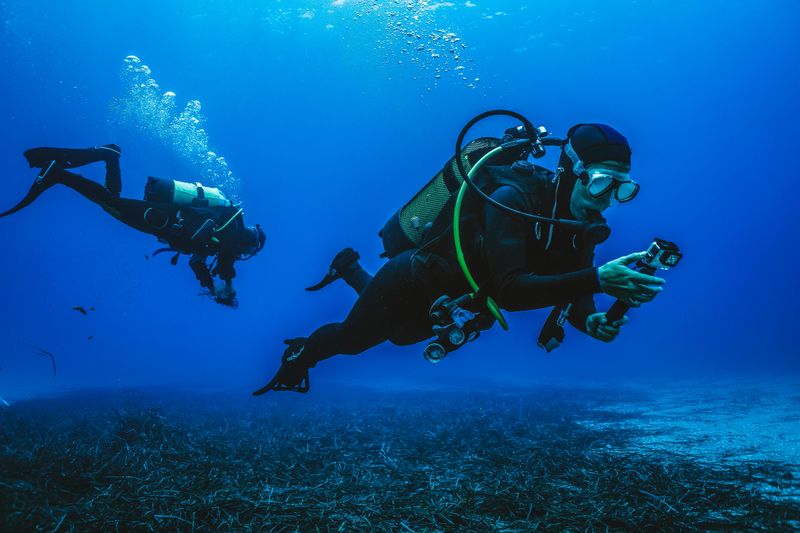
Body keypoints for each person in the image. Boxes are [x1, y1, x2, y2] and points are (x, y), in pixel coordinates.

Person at [255, 123, 665, 394]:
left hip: (457, 301)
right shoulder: (511, 198)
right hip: (414, 278)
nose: (607, 200)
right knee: (353, 341)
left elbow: (575, 288)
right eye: (600, 182)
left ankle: (350, 269)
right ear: (571, 172)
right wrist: (598, 279)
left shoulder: (578, 223)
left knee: (399, 336)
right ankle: (300, 356)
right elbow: (511, 291)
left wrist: (588, 319)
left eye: (623, 189)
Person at [2, 144, 265, 307]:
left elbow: (197, 261)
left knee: (111, 202)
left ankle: (109, 157)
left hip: (162, 222)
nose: (243, 254)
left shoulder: (222, 236)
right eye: (248, 251)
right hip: (163, 218)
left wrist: (210, 286)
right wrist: (228, 287)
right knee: (111, 204)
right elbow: (226, 260)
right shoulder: (231, 229)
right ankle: (60, 174)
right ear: (250, 243)